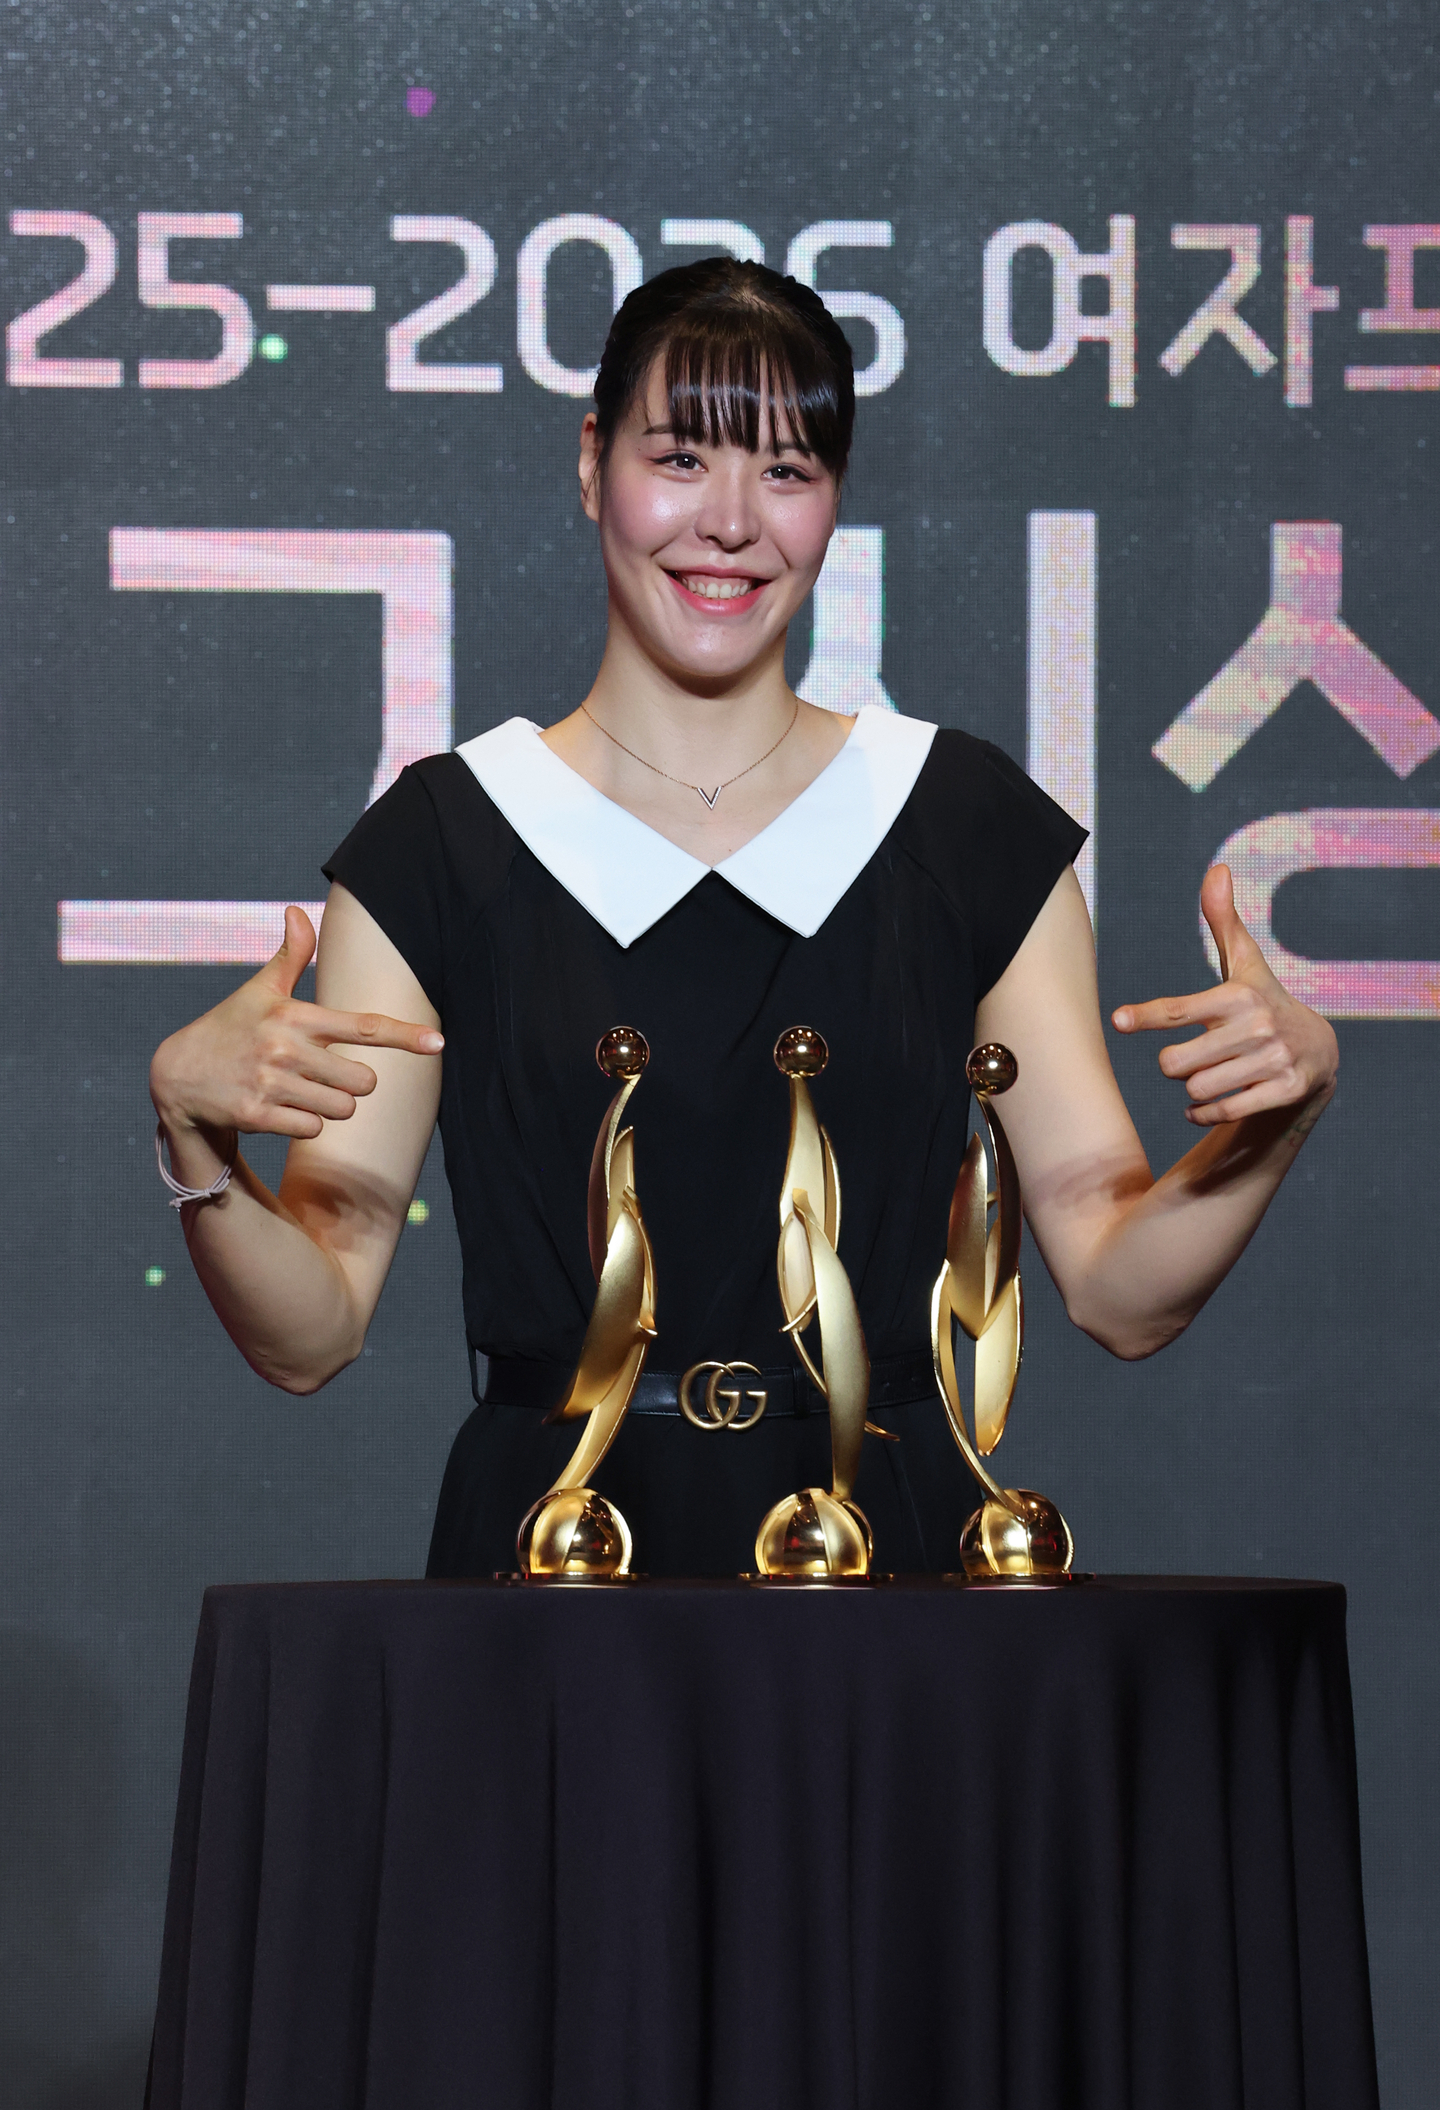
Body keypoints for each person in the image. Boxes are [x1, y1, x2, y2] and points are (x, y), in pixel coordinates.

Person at [148, 258, 1338, 1578]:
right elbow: (310, 1332)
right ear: (593, 465)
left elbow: (1118, 1292)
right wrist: (198, 1143)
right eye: (680, 458)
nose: (729, 523)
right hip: (554, 1571)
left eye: (785, 470)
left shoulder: (958, 823)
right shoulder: (445, 840)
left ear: (834, 501)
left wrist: (1275, 1123)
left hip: (883, 1571)